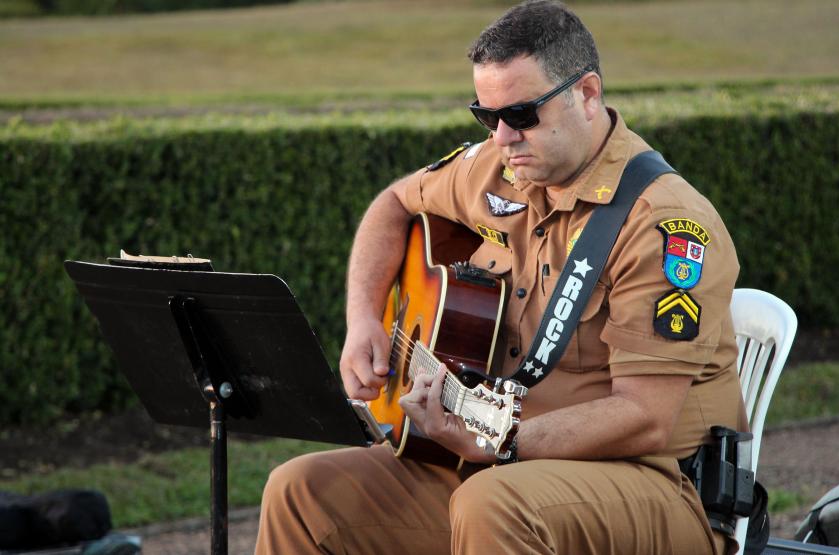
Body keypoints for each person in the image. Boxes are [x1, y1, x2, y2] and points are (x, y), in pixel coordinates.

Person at [256, 1, 746, 553]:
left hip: (652, 483)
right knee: (301, 492)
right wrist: (365, 318)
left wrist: (502, 442)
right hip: (505, 464)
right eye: (486, 117)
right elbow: (393, 204)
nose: (502, 137)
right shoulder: (500, 168)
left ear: (587, 94)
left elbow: (645, 418)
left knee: (490, 502)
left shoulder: (661, 223)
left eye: (521, 115)